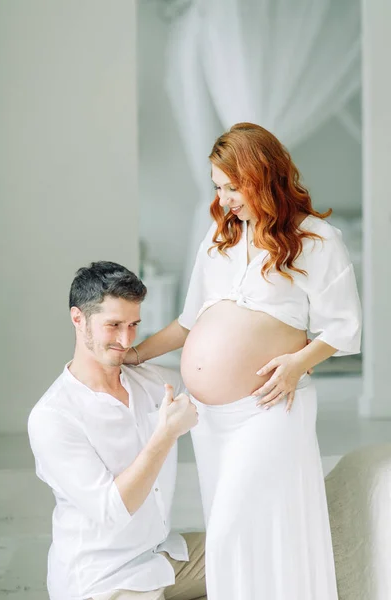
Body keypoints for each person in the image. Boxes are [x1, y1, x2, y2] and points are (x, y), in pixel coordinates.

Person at [124, 123, 362, 600]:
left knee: (234, 526)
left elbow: (345, 328)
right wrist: (133, 354)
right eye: (218, 187)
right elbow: (187, 324)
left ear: (264, 176)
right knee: (237, 530)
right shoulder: (220, 238)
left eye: (234, 186)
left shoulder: (316, 240)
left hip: (271, 408)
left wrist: (297, 363)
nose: (226, 198)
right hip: (212, 419)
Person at [28, 261, 206, 600]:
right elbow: (112, 513)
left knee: (250, 554)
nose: (126, 340)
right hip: (103, 582)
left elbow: (211, 367)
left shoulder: (151, 382)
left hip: (163, 556)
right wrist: (165, 434)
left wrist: (292, 365)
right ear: (78, 318)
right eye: (113, 325)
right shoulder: (53, 418)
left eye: (134, 325)